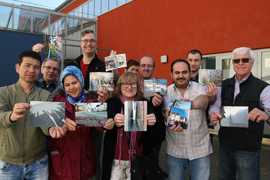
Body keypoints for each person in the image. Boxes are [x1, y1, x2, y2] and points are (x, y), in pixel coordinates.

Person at [0, 50, 65, 179]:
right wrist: (11, 116)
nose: (31, 70)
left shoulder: (44, 95)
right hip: (8, 162)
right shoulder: (4, 92)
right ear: (18, 68)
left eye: (36, 67)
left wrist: (52, 129)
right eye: (27, 65)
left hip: (38, 162)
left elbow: (46, 124)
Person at [209, 47, 270, 180]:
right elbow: (215, 105)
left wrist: (267, 114)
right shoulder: (223, 84)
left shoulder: (263, 87)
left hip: (248, 148)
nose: (240, 63)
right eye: (236, 60)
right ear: (233, 63)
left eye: (245, 60)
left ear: (252, 62)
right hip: (225, 144)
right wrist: (213, 114)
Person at [49, 65, 114, 180]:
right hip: (62, 162)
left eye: (74, 83)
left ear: (81, 81)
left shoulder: (91, 101)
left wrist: (106, 124)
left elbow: (99, 127)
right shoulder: (56, 101)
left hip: (85, 161)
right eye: (67, 85)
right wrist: (60, 121)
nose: (71, 87)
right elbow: (45, 122)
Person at [101, 72, 156, 180]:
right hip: (116, 159)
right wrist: (111, 121)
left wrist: (153, 123)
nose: (129, 87)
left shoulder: (145, 103)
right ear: (120, 86)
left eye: (133, 84)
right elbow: (102, 124)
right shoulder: (111, 102)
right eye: (126, 84)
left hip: (137, 159)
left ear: (138, 86)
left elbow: (154, 134)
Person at [164, 59, 212, 180]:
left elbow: (204, 100)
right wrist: (168, 119)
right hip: (175, 150)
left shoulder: (200, 88)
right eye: (177, 72)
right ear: (172, 74)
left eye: (184, 72)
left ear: (190, 73)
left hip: (200, 149)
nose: (181, 75)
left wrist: (188, 104)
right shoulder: (166, 91)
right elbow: (165, 112)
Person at [139, 56, 167, 179]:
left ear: (154, 68)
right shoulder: (133, 83)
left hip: (155, 133)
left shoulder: (160, 85)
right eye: (143, 65)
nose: (146, 68)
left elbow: (166, 108)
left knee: (152, 162)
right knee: (139, 163)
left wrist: (160, 102)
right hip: (138, 130)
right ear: (140, 67)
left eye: (149, 66)